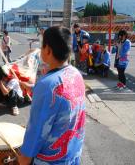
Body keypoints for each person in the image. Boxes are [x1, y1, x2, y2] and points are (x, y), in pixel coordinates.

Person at [19, 26, 86, 165]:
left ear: (48, 50)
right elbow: (62, 99)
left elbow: (36, 130)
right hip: (72, 154)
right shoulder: (76, 74)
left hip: (51, 160)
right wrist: (33, 88)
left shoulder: (47, 84)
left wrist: (24, 158)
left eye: (42, 46)